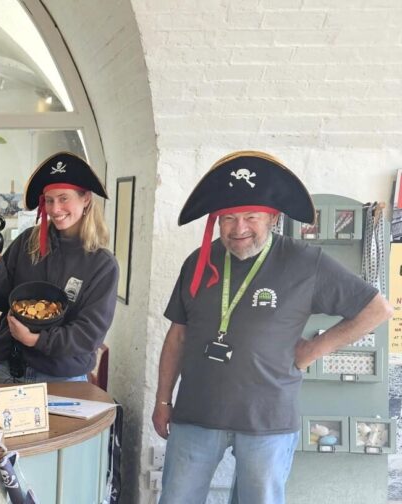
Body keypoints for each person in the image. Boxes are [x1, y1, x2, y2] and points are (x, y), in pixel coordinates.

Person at [152, 151, 392, 504]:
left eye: (251, 217)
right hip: (196, 414)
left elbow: (377, 309)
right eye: (228, 218)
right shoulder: (198, 261)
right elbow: (178, 335)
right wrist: (162, 399)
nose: (239, 228)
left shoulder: (305, 262)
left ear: (273, 217)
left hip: (268, 419)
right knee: (176, 499)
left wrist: (314, 349)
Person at [0, 152, 118, 384]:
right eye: (49, 200)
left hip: (61, 377)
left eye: (64, 198)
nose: (55, 209)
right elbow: (2, 301)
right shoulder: (27, 242)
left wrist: (36, 340)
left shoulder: (101, 264)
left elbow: (88, 334)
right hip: (9, 369)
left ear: (86, 198)